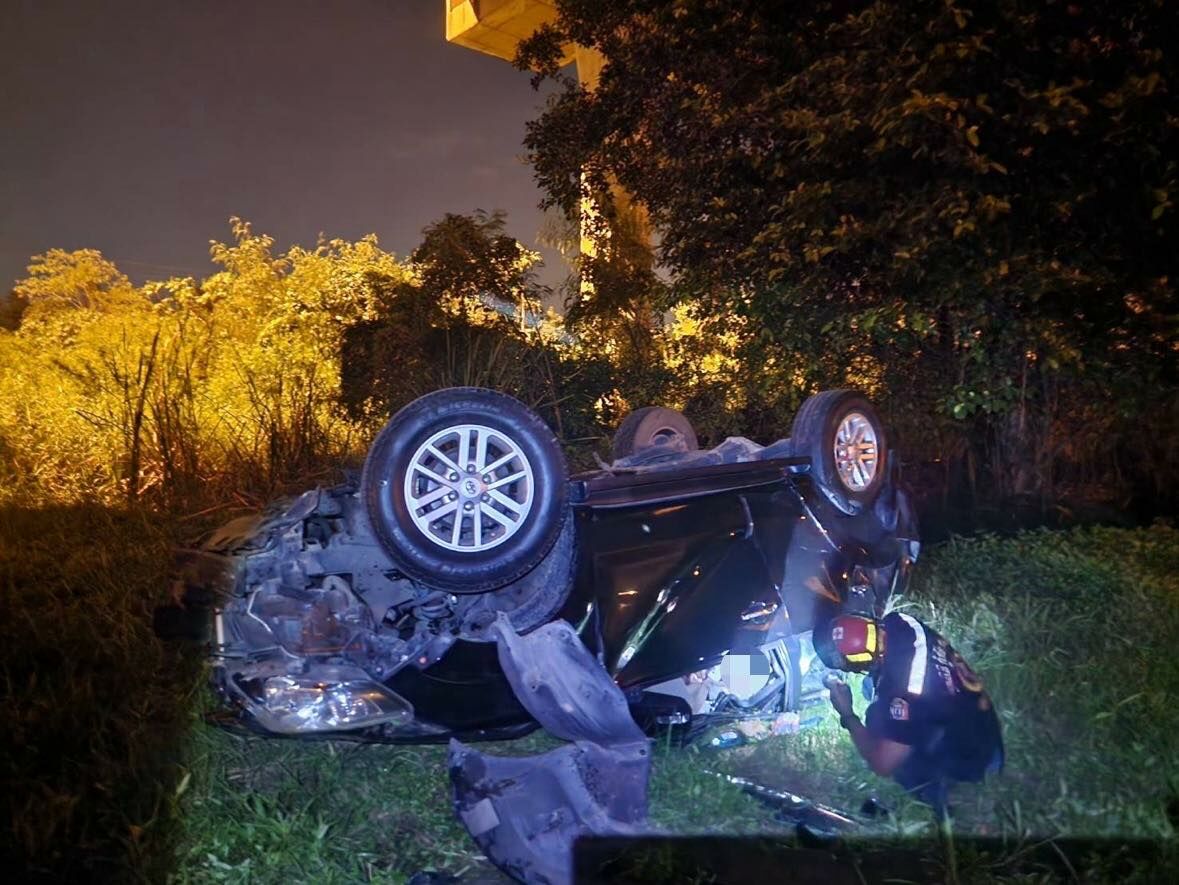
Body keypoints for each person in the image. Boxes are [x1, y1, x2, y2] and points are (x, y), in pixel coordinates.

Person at [815, 612, 1003, 818]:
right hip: (975, 716)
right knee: (870, 689)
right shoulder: (900, 621)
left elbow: (882, 764)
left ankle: (947, 794)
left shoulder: (905, 694)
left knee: (881, 732)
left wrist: (848, 715)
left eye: (848, 666)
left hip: (977, 758)